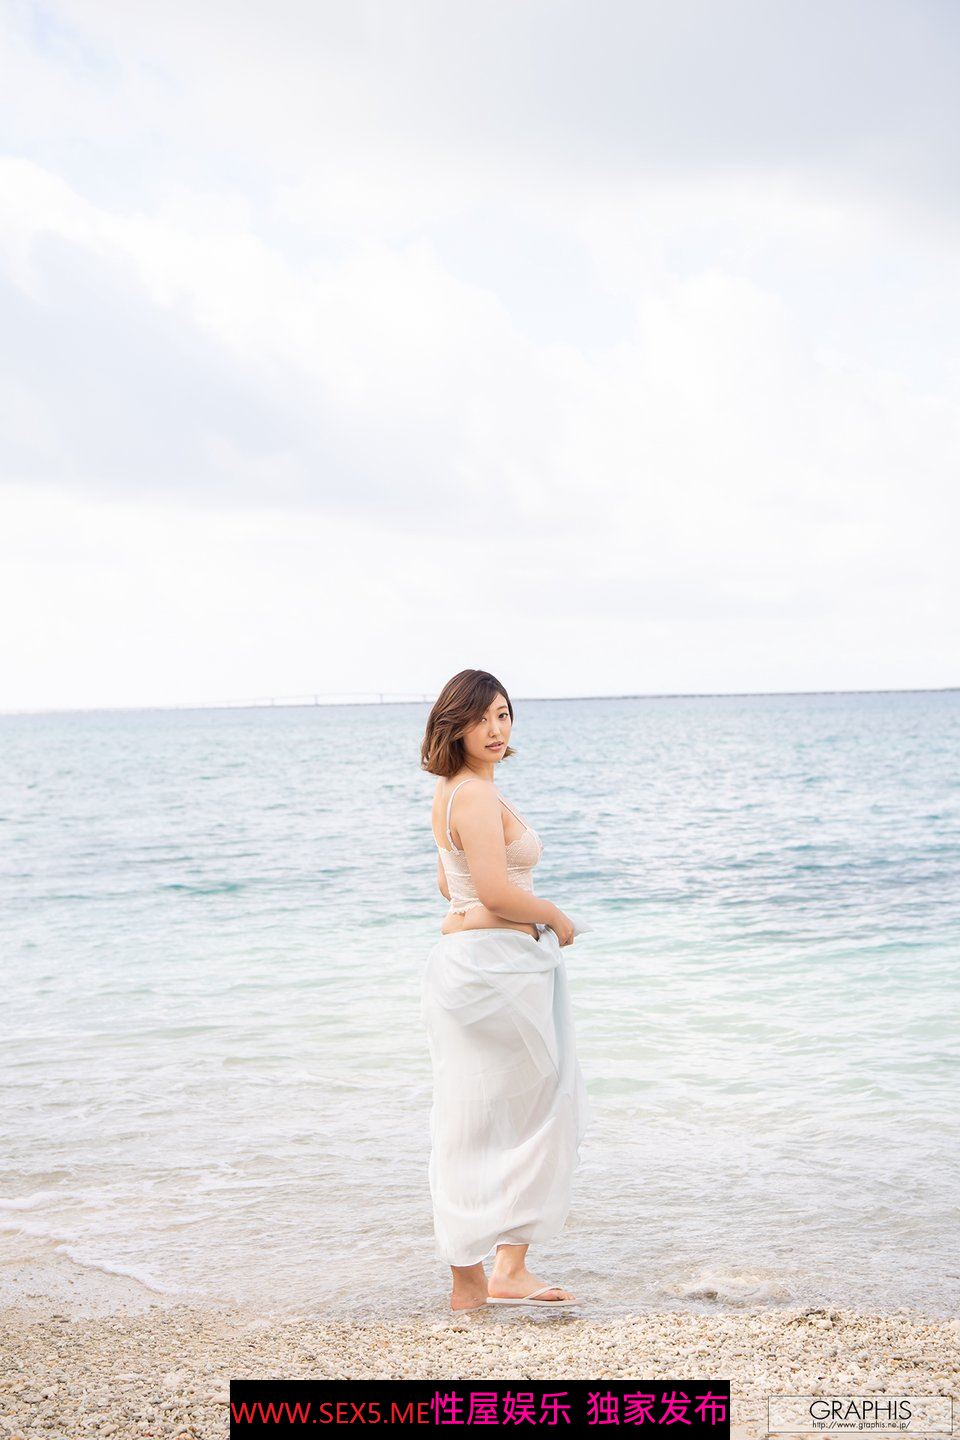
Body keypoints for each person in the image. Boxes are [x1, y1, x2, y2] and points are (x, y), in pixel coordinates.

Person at [419, 668, 590, 1312]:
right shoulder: (474, 796)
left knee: (477, 1116)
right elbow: (490, 891)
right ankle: (490, 1273)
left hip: (475, 966)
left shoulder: (451, 793)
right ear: (454, 724)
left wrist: (473, 917)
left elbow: (453, 887)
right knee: (538, 1108)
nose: (495, 729)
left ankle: (489, 1274)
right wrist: (550, 915)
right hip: (495, 972)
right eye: (481, 717)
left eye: (503, 714)